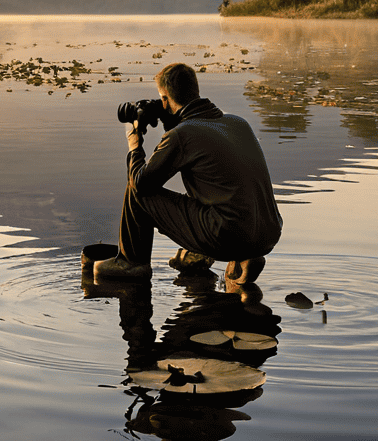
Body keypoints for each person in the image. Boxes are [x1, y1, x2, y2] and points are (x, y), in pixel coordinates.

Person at [94, 62, 282, 282]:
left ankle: (131, 263)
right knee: (216, 192)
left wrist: (135, 146)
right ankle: (245, 258)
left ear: (165, 100)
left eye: (161, 99)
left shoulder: (182, 135)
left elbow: (141, 184)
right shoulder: (238, 123)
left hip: (229, 235)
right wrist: (170, 122)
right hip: (268, 233)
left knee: (137, 188)